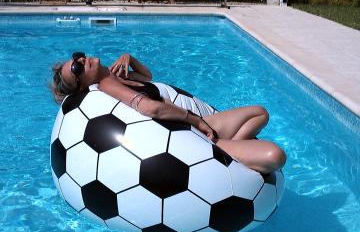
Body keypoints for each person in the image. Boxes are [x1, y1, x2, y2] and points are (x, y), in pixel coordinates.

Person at [51, 52, 286, 174]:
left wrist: (129, 58)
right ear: (82, 84)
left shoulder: (114, 76)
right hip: (190, 135)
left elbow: (147, 76)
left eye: (76, 57)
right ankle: (222, 151)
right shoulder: (106, 87)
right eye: (77, 68)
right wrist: (195, 120)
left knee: (260, 114)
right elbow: (150, 107)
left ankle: (226, 149)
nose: (81, 60)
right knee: (275, 157)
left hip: (196, 125)